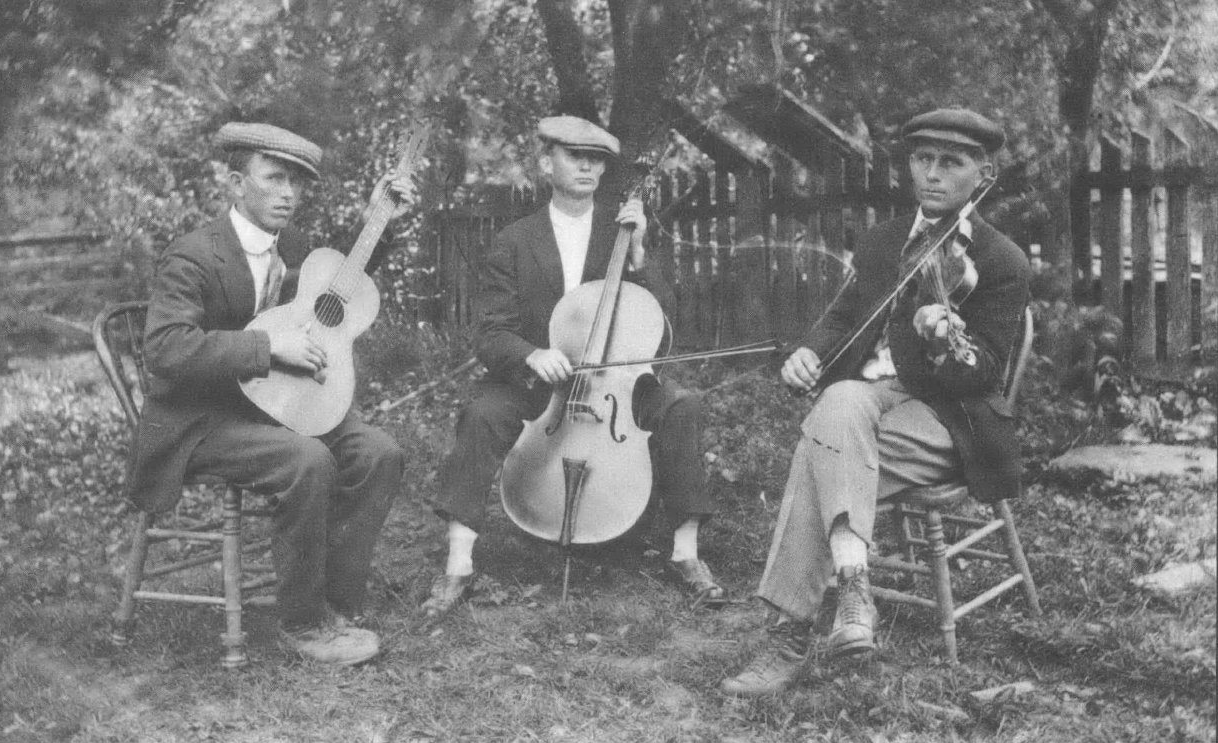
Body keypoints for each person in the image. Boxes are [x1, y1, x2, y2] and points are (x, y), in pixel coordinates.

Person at [720, 108, 1031, 697]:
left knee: (820, 445)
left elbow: (984, 371)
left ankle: (789, 638)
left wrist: (944, 345)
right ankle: (853, 591)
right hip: (864, 402)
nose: (933, 174)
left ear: (983, 172)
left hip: (945, 417)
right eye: (923, 159)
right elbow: (843, 313)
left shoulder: (999, 260)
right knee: (837, 402)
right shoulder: (883, 240)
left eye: (952, 162)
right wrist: (808, 350)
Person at [126, 120, 417, 665]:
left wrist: (380, 222)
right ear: (236, 183)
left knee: (379, 452)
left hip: (270, 407)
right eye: (275, 177)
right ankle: (301, 625)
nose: (288, 193)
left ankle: (334, 602)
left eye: (297, 183)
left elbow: (334, 286)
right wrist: (267, 348)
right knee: (307, 459)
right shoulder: (192, 255)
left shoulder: (290, 248)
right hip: (200, 420)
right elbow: (165, 350)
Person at [421, 115, 725, 618]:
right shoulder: (515, 240)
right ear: (546, 163)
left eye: (596, 159)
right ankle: (458, 561)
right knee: (481, 413)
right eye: (573, 155)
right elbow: (491, 333)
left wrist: (641, 252)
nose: (587, 165)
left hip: (614, 383)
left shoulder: (623, 232)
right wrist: (532, 355)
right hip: (540, 384)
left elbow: (665, 322)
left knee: (680, 405)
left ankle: (687, 552)